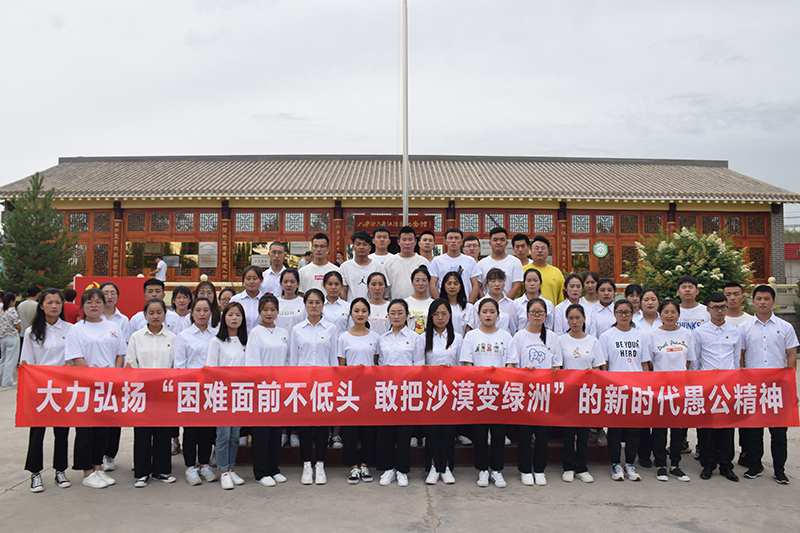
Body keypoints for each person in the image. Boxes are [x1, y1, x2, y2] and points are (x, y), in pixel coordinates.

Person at [64, 289, 126, 489]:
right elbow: (77, 358)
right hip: (86, 386)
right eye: (89, 302)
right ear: (82, 306)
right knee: (85, 431)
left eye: (98, 301)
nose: (94, 305)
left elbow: (120, 354)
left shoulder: (113, 327)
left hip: (108, 386)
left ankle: (97, 468)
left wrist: (114, 376)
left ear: (103, 303)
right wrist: (93, 378)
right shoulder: (76, 329)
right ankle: (87, 472)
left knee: (102, 430)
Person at [739, 285, 798, 484]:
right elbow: (741, 355)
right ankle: (755, 465)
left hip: (778, 387)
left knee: (779, 432)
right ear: (753, 301)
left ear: (773, 301)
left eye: (766, 299)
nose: (762, 302)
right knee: (754, 431)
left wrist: (790, 383)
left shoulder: (785, 326)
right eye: (759, 298)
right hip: (753, 386)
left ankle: (779, 470)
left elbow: (791, 355)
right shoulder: (745, 327)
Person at [460, 298, 517, 488]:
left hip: (500, 392)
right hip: (479, 393)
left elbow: (510, 364)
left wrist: (501, 382)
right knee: (480, 433)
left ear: (498, 315)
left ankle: (497, 470)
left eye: (492, 311)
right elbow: (467, 363)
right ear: (478, 314)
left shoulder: (506, 337)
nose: (488, 315)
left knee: (499, 434)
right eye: (484, 311)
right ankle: (483, 470)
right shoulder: (471, 337)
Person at [20, 288, 73, 493]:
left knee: (62, 432)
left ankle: (60, 470)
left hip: (63, 388)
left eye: (58, 302)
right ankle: (35, 473)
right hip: (40, 389)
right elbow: (27, 362)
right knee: (37, 433)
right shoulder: (32, 332)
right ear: (41, 305)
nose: (54, 306)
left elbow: (72, 358)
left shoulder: (69, 329)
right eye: (49, 302)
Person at [126, 298, 177, 487]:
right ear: (145, 315)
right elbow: (131, 363)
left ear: (165, 314)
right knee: (142, 433)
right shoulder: (136, 337)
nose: (155, 316)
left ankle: (161, 470)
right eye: (151, 313)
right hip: (142, 392)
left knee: (163, 433)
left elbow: (175, 365)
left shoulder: (172, 338)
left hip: (164, 393)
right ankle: (142, 472)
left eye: (159, 312)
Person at [290, 289, 338, 485]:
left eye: (318, 302)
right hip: (303, 384)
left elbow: (333, 359)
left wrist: (334, 383)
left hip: (324, 385)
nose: (314, 306)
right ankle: (306, 465)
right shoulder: (297, 329)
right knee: (305, 428)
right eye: (310, 302)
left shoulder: (331, 329)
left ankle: (320, 464)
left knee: (321, 428)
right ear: (305, 305)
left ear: (323, 305)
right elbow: (293, 360)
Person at [692, 292, 742, 482]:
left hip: (728, 386)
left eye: (722, 307)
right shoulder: (700, 332)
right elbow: (696, 360)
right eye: (715, 307)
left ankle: (726, 465)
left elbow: (736, 359)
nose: (719, 311)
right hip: (707, 386)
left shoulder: (735, 332)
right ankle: (708, 464)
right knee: (707, 428)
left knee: (727, 428)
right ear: (708, 309)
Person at [552, 303, 605, 483]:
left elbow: (598, 368)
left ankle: (582, 467)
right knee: (568, 433)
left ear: (584, 319)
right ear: (566, 321)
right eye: (571, 318)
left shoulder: (593, 341)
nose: (574, 321)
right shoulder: (560, 340)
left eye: (578, 318)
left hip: (586, 394)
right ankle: (568, 467)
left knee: (583, 433)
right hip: (567, 393)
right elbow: (558, 366)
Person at [644, 299, 694, 483]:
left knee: (678, 430)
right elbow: (648, 362)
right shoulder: (652, 335)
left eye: (673, 312)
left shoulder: (686, 334)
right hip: (659, 389)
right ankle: (661, 465)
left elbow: (688, 361)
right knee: (659, 430)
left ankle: (675, 465)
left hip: (680, 389)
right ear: (660, 314)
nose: (670, 316)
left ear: (678, 314)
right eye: (666, 312)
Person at [599, 299, 649, 482]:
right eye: (620, 312)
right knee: (615, 430)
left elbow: (644, 363)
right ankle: (615, 464)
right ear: (614, 314)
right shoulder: (607, 336)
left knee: (633, 430)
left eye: (627, 312)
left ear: (632, 314)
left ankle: (630, 464)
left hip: (636, 390)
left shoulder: (640, 335)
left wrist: (645, 386)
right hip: (616, 390)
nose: (624, 315)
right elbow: (604, 364)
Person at [377, 299, 424, 487]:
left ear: (407, 315)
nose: (396, 316)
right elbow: (380, 364)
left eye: (400, 313)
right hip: (387, 391)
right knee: (386, 432)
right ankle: (388, 469)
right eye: (393, 313)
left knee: (405, 434)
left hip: (406, 391)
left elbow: (419, 366)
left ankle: (403, 470)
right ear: (388, 315)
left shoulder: (414, 338)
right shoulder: (382, 338)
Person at [245, 294, 290, 487]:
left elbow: (288, 360)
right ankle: (261, 472)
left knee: (275, 431)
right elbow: (253, 362)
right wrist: (262, 383)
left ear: (277, 311)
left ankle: (274, 468)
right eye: (265, 309)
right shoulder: (255, 333)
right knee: (261, 432)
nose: (269, 313)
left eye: (272, 309)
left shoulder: (283, 332)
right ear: (259, 311)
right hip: (262, 389)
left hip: (279, 388)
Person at [174, 297, 219, 486]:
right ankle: (189, 466)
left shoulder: (216, 334)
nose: (202, 314)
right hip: (190, 390)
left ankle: (204, 464)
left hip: (211, 390)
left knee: (207, 430)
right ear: (191, 313)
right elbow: (179, 365)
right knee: (191, 431)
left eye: (206, 310)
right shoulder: (183, 336)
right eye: (198, 310)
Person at [514, 298, 557, 486]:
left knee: (542, 434)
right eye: (533, 312)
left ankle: (539, 469)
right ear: (527, 314)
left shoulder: (553, 337)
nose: (537, 315)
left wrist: (553, 371)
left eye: (540, 312)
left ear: (546, 315)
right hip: (524, 392)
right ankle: (525, 469)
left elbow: (557, 365)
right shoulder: (519, 337)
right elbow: (514, 365)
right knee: (524, 434)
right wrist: (525, 372)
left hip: (544, 393)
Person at [207, 302, 248, 490]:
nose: (234, 318)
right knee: (223, 435)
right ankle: (223, 470)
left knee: (234, 435)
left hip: (240, 395)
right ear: (224, 317)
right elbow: (211, 370)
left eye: (238, 315)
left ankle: (231, 468)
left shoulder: (245, 341)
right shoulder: (217, 342)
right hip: (222, 394)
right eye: (230, 314)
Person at [338, 298, 380, 484]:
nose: (360, 314)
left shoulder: (375, 337)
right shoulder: (343, 338)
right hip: (350, 390)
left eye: (364, 311)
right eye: (356, 311)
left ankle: (365, 464)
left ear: (369, 313)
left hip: (370, 389)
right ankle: (353, 466)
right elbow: (341, 367)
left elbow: (376, 363)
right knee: (350, 429)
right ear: (351, 313)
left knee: (369, 428)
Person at [423, 299, 462, 485]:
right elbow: (419, 365)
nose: (440, 317)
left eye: (444, 314)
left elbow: (462, 365)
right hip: (430, 392)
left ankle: (446, 467)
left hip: (450, 391)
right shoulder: (423, 338)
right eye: (436, 314)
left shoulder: (458, 338)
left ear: (450, 316)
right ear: (431, 317)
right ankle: (432, 467)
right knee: (432, 432)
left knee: (448, 431)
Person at [99, 281, 130, 473]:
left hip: (116, 373)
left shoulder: (123, 320)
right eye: (105, 293)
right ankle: (96, 455)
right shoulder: (92, 317)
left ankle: (110, 455)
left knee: (113, 416)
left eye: (112, 293)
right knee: (97, 416)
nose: (109, 296)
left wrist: (118, 373)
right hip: (94, 377)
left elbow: (123, 348)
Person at [722, 281, 754, 469]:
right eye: (728, 294)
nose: (732, 298)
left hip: (745, 380)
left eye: (736, 294)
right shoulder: (717, 319)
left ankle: (746, 452)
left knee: (744, 418)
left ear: (743, 297)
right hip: (722, 381)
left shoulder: (750, 322)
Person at [429, 228, 481, 303]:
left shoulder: (470, 261)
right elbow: (432, 285)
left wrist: (469, 304)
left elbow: (475, 285)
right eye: (450, 238)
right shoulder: (437, 261)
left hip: (465, 303)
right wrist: (441, 304)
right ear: (446, 241)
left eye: (456, 238)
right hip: (444, 304)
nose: (453, 241)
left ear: (461, 242)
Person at [383, 226, 430, 300]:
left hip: (419, 304)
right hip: (396, 304)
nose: (407, 243)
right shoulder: (389, 262)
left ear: (415, 242)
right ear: (399, 242)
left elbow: (428, 288)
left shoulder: (423, 262)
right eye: (404, 240)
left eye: (410, 240)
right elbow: (386, 291)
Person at [468, 268, 517, 335]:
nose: (497, 284)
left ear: (504, 283)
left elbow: (513, 327)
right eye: (493, 281)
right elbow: (476, 326)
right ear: (487, 284)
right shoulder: (479, 304)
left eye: (500, 281)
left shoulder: (510, 304)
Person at [340, 231, 386, 302]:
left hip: (372, 307)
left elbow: (382, 290)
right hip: (351, 307)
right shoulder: (345, 267)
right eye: (358, 244)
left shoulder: (378, 267)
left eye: (365, 244)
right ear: (353, 247)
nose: (361, 247)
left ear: (369, 248)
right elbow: (343, 290)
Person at [477, 227, 522, 297]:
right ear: (490, 243)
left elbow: (516, 286)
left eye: (502, 240)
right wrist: (486, 302)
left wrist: (505, 302)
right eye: (495, 240)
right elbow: (478, 286)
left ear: (506, 243)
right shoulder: (481, 264)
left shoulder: (515, 262)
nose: (498, 242)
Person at [525, 235, 564, 305]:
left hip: (550, 311)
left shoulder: (557, 272)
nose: (540, 251)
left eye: (543, 248)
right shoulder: (523, 270)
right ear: (531, 251)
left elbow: (561, 300)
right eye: (536, 248)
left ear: (548, 251)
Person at [514, 268, 555, 332]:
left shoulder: (548, 304)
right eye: (529, 281)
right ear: (524, 283)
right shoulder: (516, 304)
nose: (532, 283)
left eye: (535, 281)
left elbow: (550, 326)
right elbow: (513, 327)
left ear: (540, 283)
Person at [230, 265, 264, 333]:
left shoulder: (265, 300)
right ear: (243, 280)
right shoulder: (236, 300)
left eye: (255, 278)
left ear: (261, 280)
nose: (251, 282)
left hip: (261, 337)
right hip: (240, 337)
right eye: (248, 279)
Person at [276, 269, 306, 344]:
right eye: (285, 282)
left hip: (298, 343)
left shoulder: (304, 303)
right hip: (277, 343)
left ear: (298, 284)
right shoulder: (275, 302)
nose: (289, 285)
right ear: (281, 283)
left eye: (292, 282)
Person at [440, 271, 473, 336]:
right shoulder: (439, 307)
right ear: (444, 286)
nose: (452, 287)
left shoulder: (469, 307)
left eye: (456, 284)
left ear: (460, 286)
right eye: (449, 284)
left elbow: (469, 332)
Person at [0, 292, 21, 387]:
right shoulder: (12, 311)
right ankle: (7, 381)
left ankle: (1, 378)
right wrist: (19, 331)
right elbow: (17, 325)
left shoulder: (1, 310)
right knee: (11, 359)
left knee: (3, 359)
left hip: (2, 337)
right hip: (12, 336)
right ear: (12, 301)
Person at [405, 267, 434, 335]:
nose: (421, 283)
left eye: (424, 280)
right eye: (417, 280)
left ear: (428, 283)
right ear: (412, 282)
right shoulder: (405, 303)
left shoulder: (433, 303)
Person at [322, 271, 349, 336]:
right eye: (330, 284)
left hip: (342, 341)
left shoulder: (348, 307)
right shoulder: (319, 306)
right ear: (324, 286)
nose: (333, 287)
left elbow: (350, 328)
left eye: (337, 284)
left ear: (341, 286)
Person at [17, 286, 40, 351]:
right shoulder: (37, 305)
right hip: (34, 333)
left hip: (22, 333)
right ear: (37, 294)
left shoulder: (20, 305)